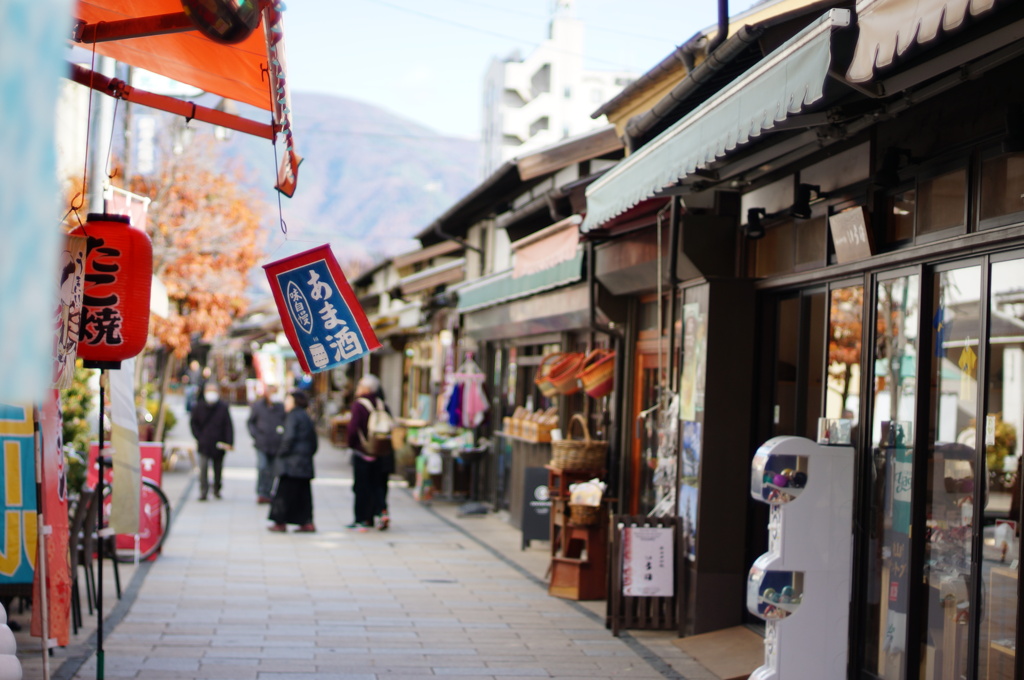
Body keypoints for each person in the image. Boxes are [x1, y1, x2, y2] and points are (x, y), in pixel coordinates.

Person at [268, 390, 318, 533]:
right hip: (304, 462)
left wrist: (281, 453)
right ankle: (306, 522)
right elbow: (314, 442)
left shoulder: (293, 416)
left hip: (291, 463)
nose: (285, 403)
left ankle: (280, 522)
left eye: (288, 400)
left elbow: (288, 438)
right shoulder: (305, 416)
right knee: (303, 494)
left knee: (283, 493)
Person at [347, 374, 392, 531]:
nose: (357, 388)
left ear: (366, 388)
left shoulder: (359, 405)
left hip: (363, 451)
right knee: (378, 485)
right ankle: (381, 511)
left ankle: (362, 519)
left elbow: (353, 429)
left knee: (361, 486)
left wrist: (352, 445)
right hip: (379, 452)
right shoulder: (381, 404)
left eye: (360, 385)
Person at [190, 383, 233, 501]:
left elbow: (228, 426)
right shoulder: (198, 407)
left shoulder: (223, 407)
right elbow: (193, 424)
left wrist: (229, 442)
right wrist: (199, 436)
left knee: (218, 469)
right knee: (203, 468)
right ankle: (203, 490)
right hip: (204, 443)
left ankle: (217, 489)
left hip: (219, 443)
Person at [247, 384, 286, 504]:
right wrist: (256, 435)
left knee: (273, 470)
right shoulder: (258, 406)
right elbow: (250, 422)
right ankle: (261, 492)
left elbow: (286, 421)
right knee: (262, 467)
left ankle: (268, 492)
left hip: (276, 443)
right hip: (262, 443)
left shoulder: (281, 407)